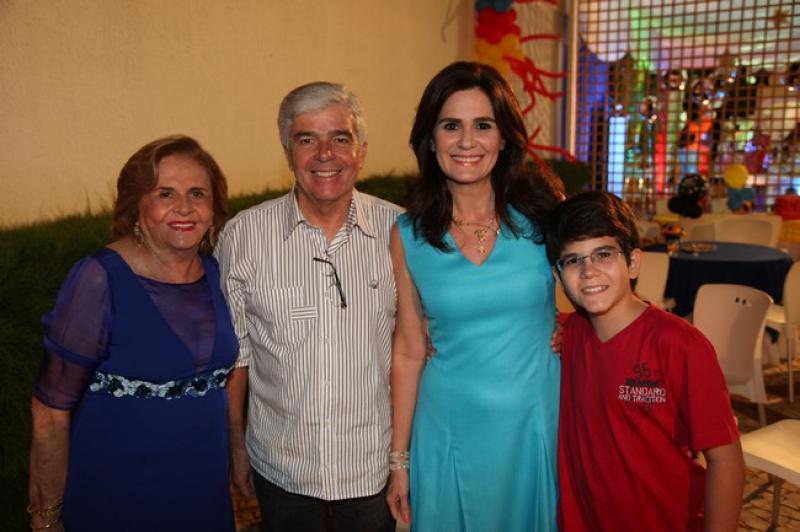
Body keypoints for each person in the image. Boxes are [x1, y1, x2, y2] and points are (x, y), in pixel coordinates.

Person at [215, 82, 401, 532]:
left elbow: (427, 344)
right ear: (287, 152)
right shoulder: (243, 237)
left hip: (374, 466)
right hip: (281, 468)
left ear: (361, 151)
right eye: (306, 139)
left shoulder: (402, 232)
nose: (324, 154)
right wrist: (236, 448)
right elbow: (235, 357)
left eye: (340, 137)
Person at [386, 61, 564, 530]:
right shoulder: (408, 234)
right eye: (451, 126)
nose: (467, 141)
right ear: (431, 139)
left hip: (534, 425)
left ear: (504, 137)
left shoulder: (544, 217)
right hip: (447, 429)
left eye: (483, 125)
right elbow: (408, 350)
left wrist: (575, 327)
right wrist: (399, 460)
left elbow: (599, 286)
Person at [28, 135, 239, 531]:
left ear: (214, 208)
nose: (184, 207)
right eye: (165, 193)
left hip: (204, 491)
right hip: (119, 492)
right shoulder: (98, 278)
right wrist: (45, 516)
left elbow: (226, 382)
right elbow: (50, 412)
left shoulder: (216, 274)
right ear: (136, 206)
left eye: (197, 193)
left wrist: (238, 458)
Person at [544, 191, 745, 531]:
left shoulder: (680, 346)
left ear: (633, 262)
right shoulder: (570, 334)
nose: (589, 271)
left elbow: (725, 460)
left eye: (603, 254)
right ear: (558, 274)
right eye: (573, 260)